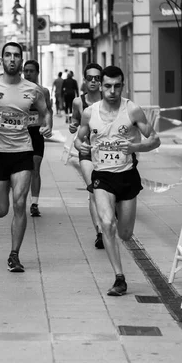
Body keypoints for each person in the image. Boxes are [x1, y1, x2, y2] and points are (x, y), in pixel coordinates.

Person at [74, 65, 160, 297]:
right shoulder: (90, 113)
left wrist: (136, 146)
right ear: (100, 86)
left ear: (123, 86)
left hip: (127, 175)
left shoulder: (132, 110)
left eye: (117, 86)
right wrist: (79, 145)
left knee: (125, 233)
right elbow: (79, 138)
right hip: (102, 176)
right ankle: (119, 278)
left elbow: (155, 140)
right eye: (108, 86)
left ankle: (120, 216)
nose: (112, 91)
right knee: (107, 224)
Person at [0, 42, 52, 273]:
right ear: (2, 60)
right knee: (1, 210)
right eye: (8, 55)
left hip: (23, 150)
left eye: (16, 56)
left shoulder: (33, 89)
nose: (12, 59)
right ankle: (4, 189)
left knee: (20, 203)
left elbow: (45, 112)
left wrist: (47, 126)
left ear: (21, 61)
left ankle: (14, 255)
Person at [69, 63, 104, 249]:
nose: (93, 81)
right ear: (84, 80)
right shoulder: (78, 102)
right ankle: (99, 232)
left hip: (107, 154)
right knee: (93, 190)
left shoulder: (110, 99)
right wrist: (74, 132)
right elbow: (75, 124)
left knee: (107, 193)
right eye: (89, 78)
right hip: (88, 153)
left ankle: (108, 217)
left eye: (97, 78)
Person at [23, 60, 53, 218]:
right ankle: (20, 199)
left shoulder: (43, 91)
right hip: (20, 134)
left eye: (31, 71)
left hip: (36, 133)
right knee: (22, 170)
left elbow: (49, 111)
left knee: (35, 168)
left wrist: (49, 127)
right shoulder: (16, 91)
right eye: (25, 71)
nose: (28, 74)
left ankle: (34, 203)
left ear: (37, 73)